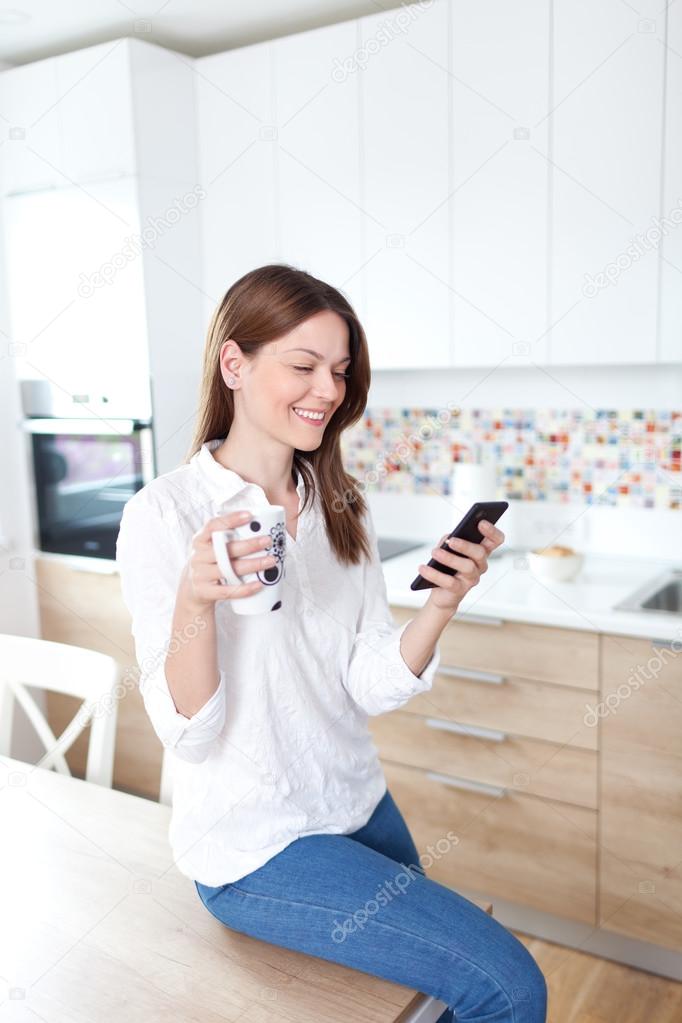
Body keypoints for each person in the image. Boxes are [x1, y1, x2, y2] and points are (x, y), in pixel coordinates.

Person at [116, 264, 547, 1022]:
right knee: (509, 984)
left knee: (436, 1002)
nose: (328, 389)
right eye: (305, 365)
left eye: (341, 371)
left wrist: (442, 603)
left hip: (356, 801)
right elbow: (188, 732)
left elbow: (368, 682)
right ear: (235, 364)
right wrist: (196, 599)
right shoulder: (165, 515)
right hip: (254, 844)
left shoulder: (340, 503)